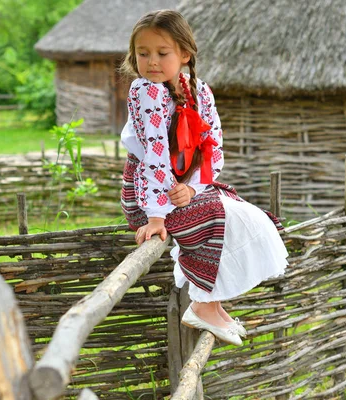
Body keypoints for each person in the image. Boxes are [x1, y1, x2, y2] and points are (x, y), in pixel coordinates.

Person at [119, 10, 289, 346]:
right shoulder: (145, 92)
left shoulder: (199, 91)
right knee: (217, 215)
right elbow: (154, 154)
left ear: (184, 54)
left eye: (162, 53)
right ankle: (201, 304)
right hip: (148, 196)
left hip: (184, 188)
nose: (152, 61)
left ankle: (211, 303)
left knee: (244, 212)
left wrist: (192, 187)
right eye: (143, 53)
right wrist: (156, 216)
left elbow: (213, 148)